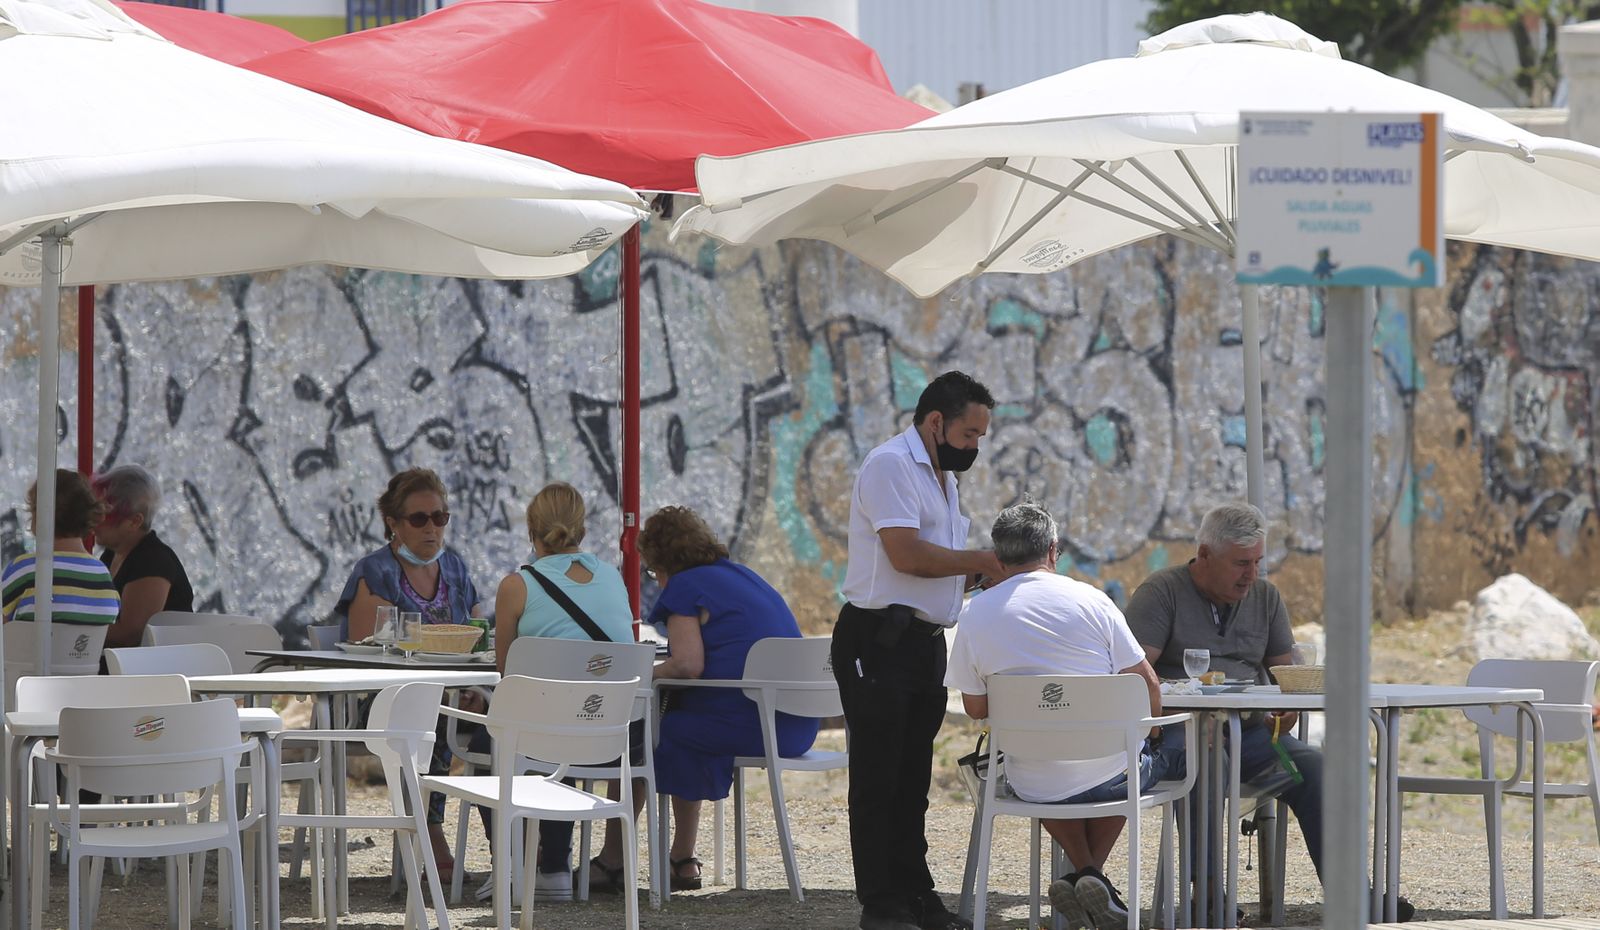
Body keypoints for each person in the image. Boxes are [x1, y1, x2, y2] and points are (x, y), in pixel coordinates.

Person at [1124, 502, 1413, 923]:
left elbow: (1287, 674)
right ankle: (1208, 895)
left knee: (1315, 768)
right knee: (1208, 762)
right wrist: (1188, 711)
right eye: (1241, 563)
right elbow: (1135, 677)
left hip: (1254, 739)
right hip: (1182, 735)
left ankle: (1351, 893)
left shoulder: (1265, 597)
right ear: (1204, 555)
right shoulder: (1161, 592)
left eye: (1258, 562)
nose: (1252, 574)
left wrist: (1286, 707)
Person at [833, 370, 1004, 930]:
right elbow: (906, 555)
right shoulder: (890, 465)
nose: (974, 446)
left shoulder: (942, 476)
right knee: (879, 777)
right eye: (969, 434)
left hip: (925, 643)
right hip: (878, 639)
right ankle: (881, 902)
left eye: (980, 436)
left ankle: (916, 893)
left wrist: (992, 574)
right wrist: (982, 560)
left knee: (912, 781)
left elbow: (939, 568)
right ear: (936, 422)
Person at [945, 502, 1167, 930]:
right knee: (1152, 753)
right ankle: (1090, 874)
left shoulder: (974, 614)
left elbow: (975, 708)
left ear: (998, 558)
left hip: (1031, 781)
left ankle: (1086, 872)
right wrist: (1153, 735)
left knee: (1046, 764)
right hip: (1110, 775)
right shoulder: (1094, 601)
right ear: (1052, 549)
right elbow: (1148, 686)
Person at [626, 504, 816, 894]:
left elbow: (686, 666)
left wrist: (643, 674)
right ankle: (682, 859)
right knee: (690, 718)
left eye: (652, 571)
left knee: (659, 732)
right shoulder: (744, 576)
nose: (656, 580)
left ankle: (621, 858)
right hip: (796, 725)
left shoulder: (684, 586)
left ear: (661, 562)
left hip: (753, 724)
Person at [334, 467, 482, 882]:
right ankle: (431, 836)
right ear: (393, 524)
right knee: (432, 710)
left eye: (440, 517)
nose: (432, 527)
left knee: (507, 718)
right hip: (380, 702)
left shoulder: (455, 568)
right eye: (419, 519)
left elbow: (478, 636)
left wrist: (472, 688)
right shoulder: (375, 571)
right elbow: (366, 652)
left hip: (452, 697)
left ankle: (525, 845)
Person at [488, 481, 634, 902]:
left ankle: (517, 865)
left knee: (490, 739)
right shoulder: (613, 578)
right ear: (582, 529)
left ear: (531, 530)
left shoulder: (517, 586)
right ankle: (553, 867)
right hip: (612, 735)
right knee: (557, 723)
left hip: (546, 735)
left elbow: (507, 672)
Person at [92, 464, 194, 647]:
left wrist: (71, 630)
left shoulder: (153, 561)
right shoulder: (111, 555)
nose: (94, 521)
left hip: (159, 662)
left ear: (134, 521)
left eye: (105, 514)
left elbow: (131, 634)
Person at [1, 470, 119, 626]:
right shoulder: (102, 574)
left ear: (38, 516)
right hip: (87, 644)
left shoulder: (24, 569)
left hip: (31, 643)